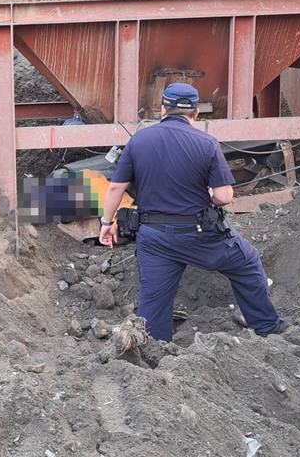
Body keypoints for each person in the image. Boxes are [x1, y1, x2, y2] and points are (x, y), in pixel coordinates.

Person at [99, 83, 286, 342]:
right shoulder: (207, 143)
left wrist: (106, 223)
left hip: (154, 238)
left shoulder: (138, 140)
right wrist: (207, 193)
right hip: (201, 236)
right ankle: (268, 328)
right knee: (247, 263)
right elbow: (224, 197)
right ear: (196, 113)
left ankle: (155, 350)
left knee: (154, 299)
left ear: (163, 109)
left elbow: (116, 188)